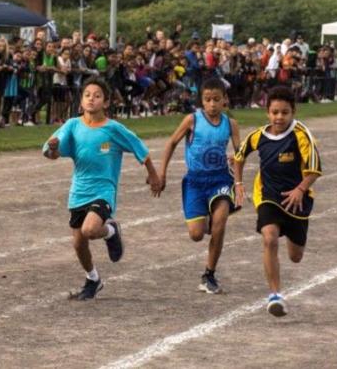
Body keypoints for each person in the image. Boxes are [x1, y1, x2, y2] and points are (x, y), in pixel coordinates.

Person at [43, 77, 160, 300]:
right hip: (79, 191)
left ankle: (111, 231)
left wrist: (152, 174)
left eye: (97, 96)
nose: (91, 99)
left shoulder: (113, 129)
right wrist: (53, 148)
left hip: (103, 190)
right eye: (87, 95)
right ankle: (93, 279)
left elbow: (139, 147)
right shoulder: (72, 126)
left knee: (89, 230)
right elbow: (52, 153)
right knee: (79, 243)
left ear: (105, 102)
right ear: (81, 101)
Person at [233, 85, 322, 317]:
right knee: (270, 238)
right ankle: (275, 295)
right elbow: (239, 157)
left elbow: (314, 170)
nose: (279, 117)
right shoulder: (258, 136)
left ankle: (294, 237)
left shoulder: (302, 135)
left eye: (284, 112)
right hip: (268, 196)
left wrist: (300, 190)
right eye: (274, 112)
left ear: (293, 112)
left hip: (297, 200)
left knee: (295, 256)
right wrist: (239, 184)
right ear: (267, 112)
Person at [155, 77, 242, 294]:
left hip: (221, 179)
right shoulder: (192, 120)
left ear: (225, 101)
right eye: (208, 100)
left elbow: (240, 153)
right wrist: (162, 173)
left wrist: (238, 178)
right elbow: (172, 143)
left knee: (220, 222)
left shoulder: (230, 124)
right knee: (196, 234)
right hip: (195, 181)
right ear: (201, 101)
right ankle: (211, 219)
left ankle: (209, 274)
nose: (212, 104)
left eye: (216, 99)